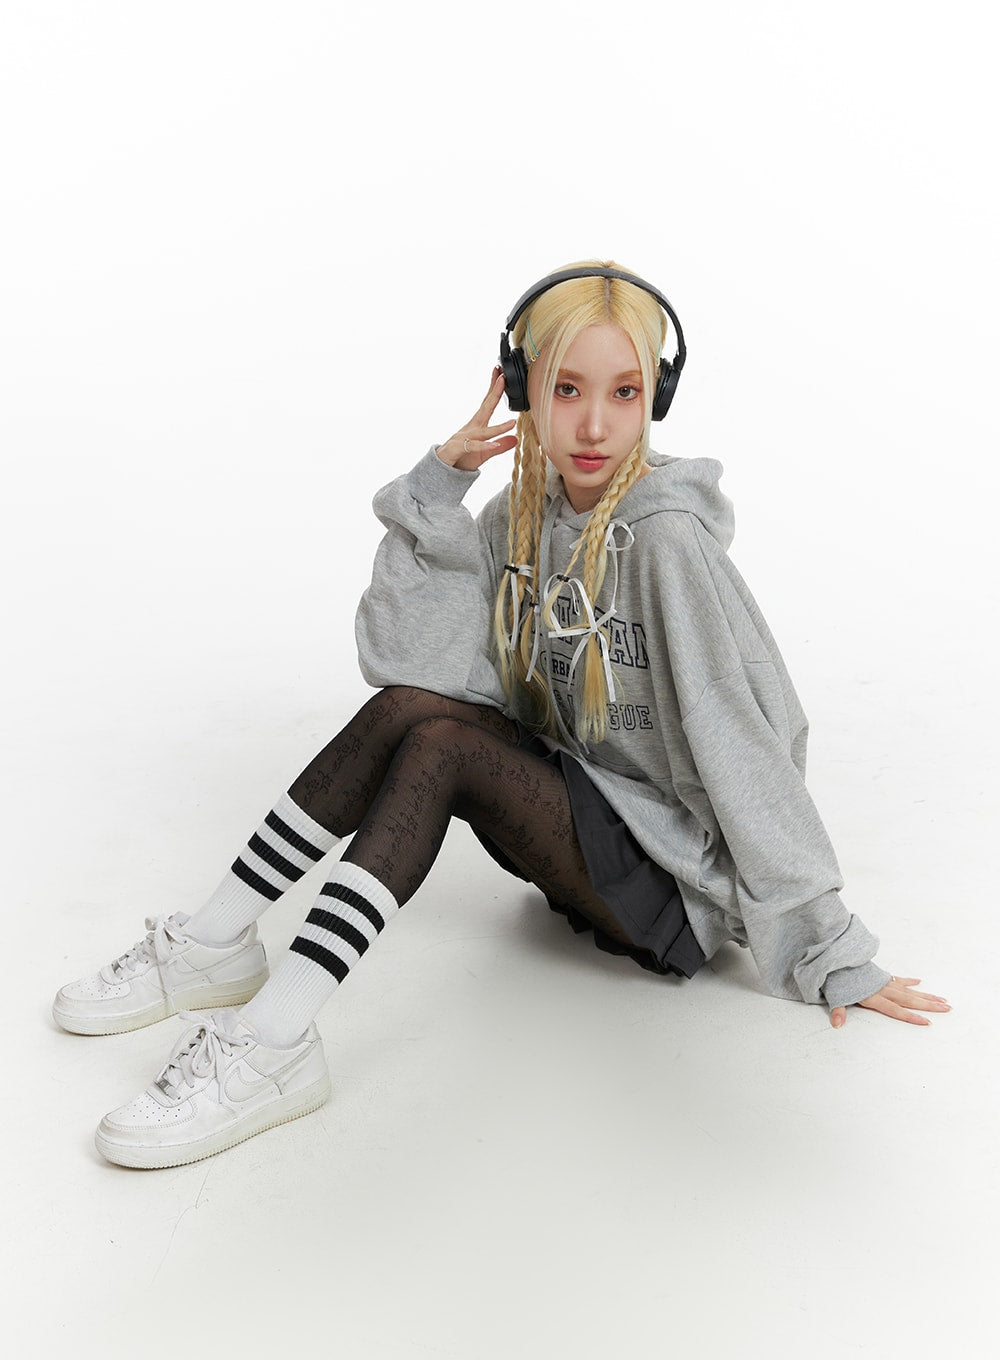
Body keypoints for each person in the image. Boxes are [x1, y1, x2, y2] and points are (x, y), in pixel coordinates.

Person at [54, 261, 951, 1169]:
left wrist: (825, 945)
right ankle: (212, 942)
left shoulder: (669, 544)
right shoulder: (519, 516)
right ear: (523, 390)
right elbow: (409, 665)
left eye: (625, 392)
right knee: (411, 714)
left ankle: (273, 1041)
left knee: (444, 748)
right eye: (566, 389)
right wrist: (436, 487)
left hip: (667, 890)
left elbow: (749, 741)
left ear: (657, 397)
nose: (594, 424)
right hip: (588, 822)